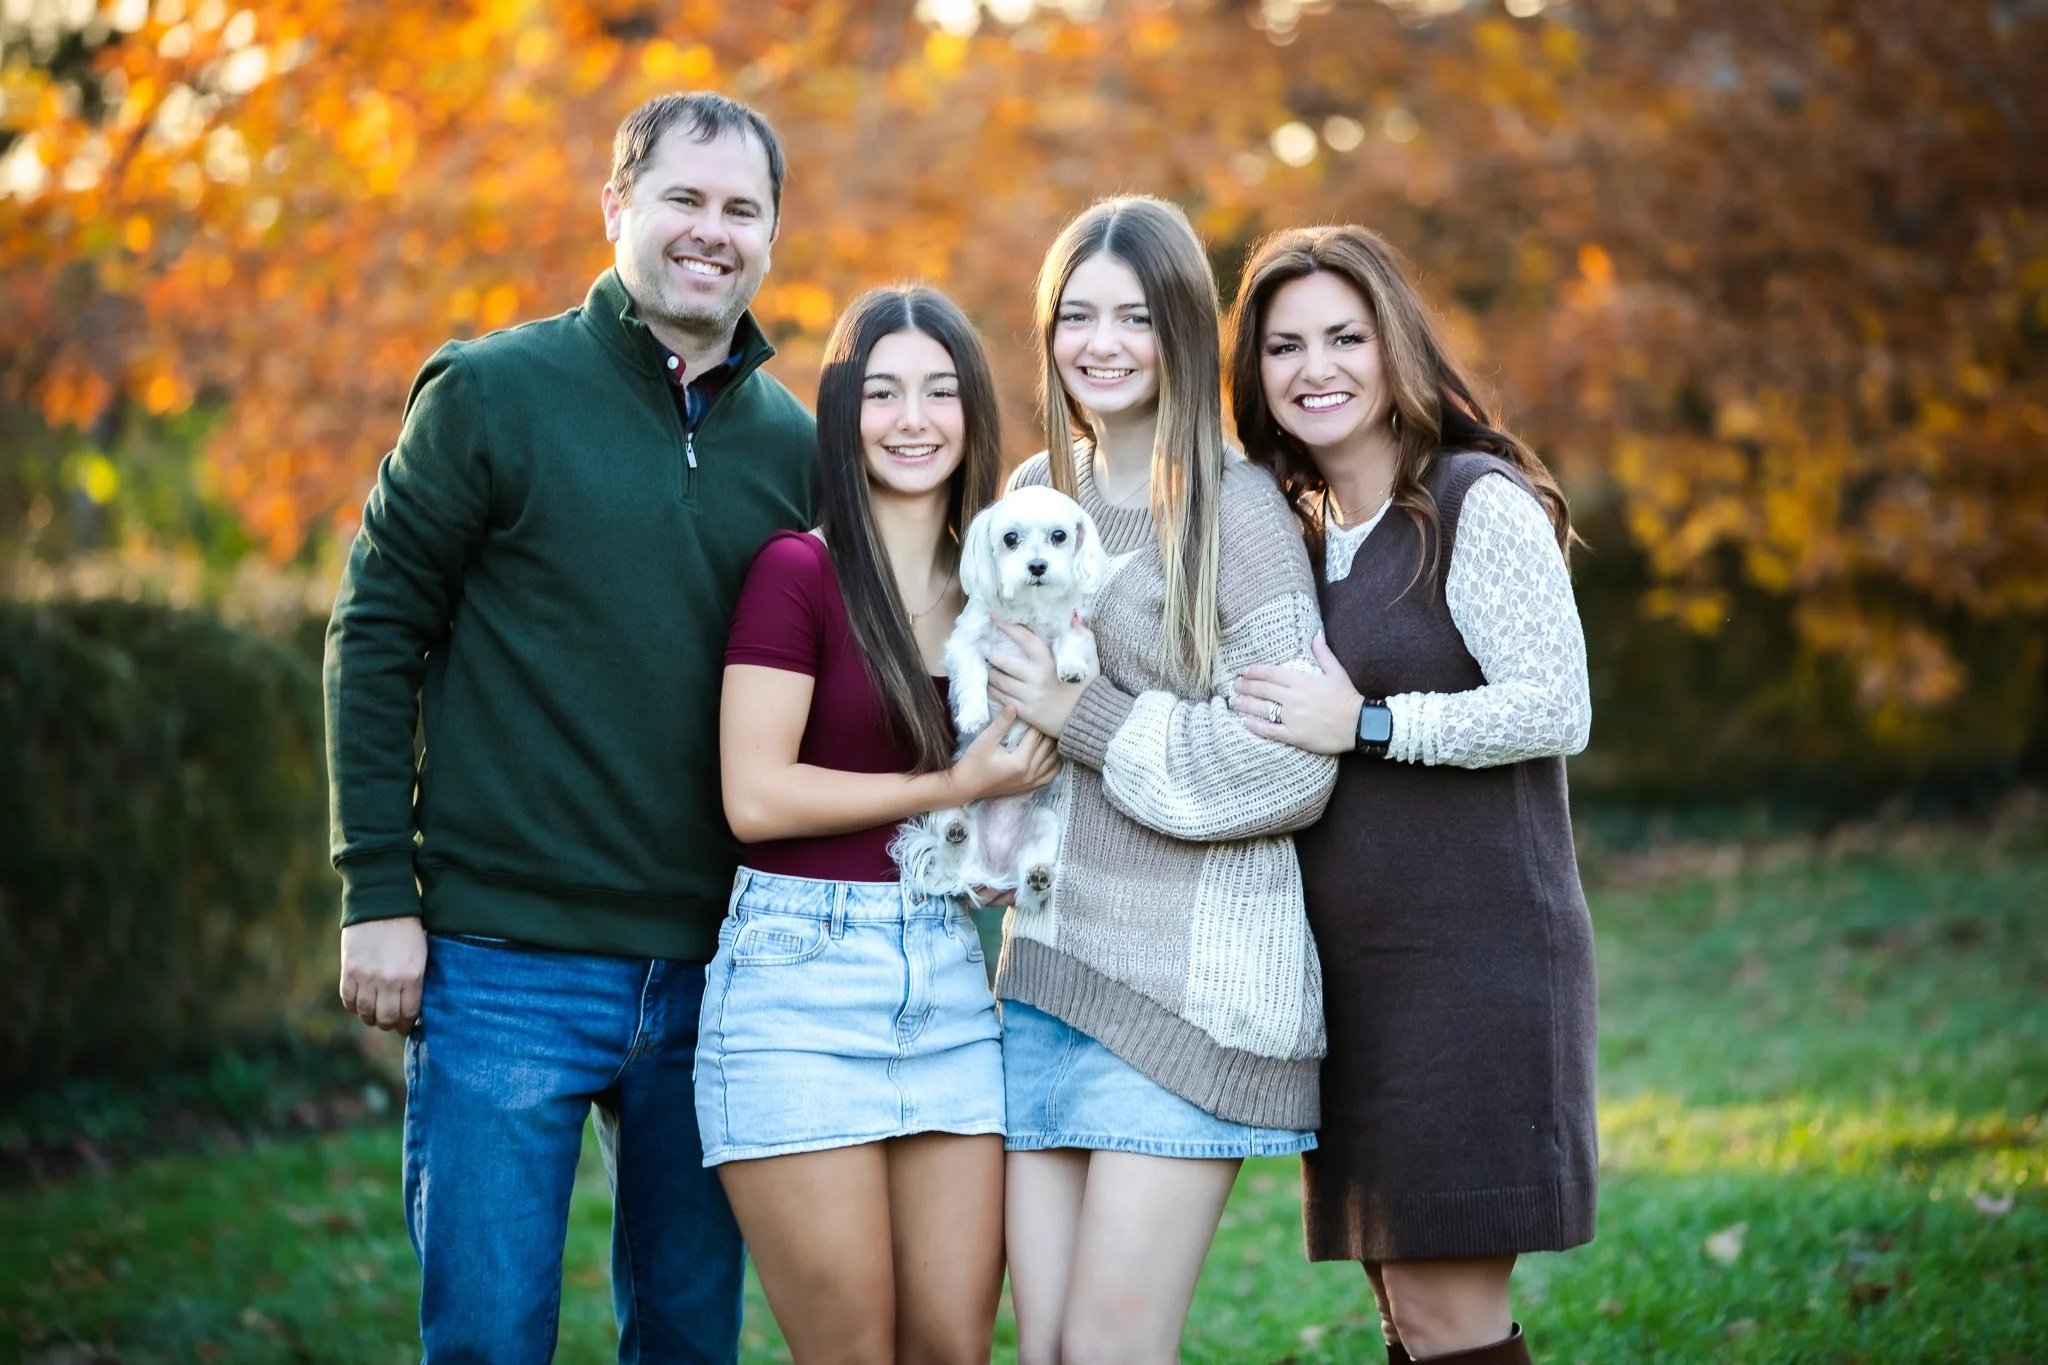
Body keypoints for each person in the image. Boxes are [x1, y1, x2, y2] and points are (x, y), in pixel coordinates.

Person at [325, 92, 816, 1363]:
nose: (712, 231)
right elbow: (374, 635)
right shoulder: (490, 393)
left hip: (716, 973)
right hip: (504, 964)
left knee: (688, 1343)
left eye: (741, 209)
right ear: (617, 209)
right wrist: (377, 890)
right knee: (489, 1340)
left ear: (772, 235)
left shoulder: (797, 450)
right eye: (684, 200)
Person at [1222, 224, 1598, 1365]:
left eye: (1344, 336)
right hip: (1350, 982)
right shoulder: (1294, 536)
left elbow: (1555, 706)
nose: (1314, 368)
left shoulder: (1470, 500)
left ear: (1394, 349)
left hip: (1472, 967)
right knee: (1401, 1312)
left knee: (1446, 1314)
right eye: (1284, 346)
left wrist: (1369, 725)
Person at [975, 195, 1339, 1365]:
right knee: (1041, 1354)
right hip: (1042, 976)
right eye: (1075, 315)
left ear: (1181, 331)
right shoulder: (1041, 493)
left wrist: (1082, 718)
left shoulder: (1239, 513)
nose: (1101, 343)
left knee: (1109, 1353)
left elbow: (1290, 771)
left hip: (1190, 993)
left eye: (1133, 316)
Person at [700, 284, 1058, 1365]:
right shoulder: (796, 571)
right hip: (794, 985)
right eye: (884, 391)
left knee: (951, 1346)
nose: (914, 418)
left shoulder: (998, 598)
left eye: (942, 392)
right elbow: (754, 798)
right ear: (842, 413)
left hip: (947, 977)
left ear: (973, 416)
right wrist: (952, 790)